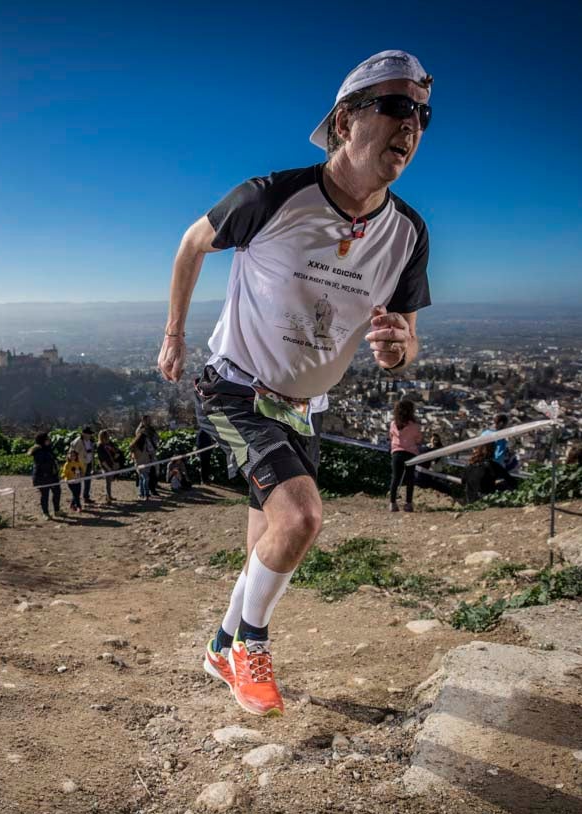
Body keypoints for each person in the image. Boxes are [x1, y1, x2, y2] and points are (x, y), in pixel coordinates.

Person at [157, 50, 433, 716]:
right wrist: (174, 335)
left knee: (266, 546)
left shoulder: (408, 234)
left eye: (423, 114)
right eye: (395, 107)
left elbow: (405, 341)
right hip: (234, 389)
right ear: (344, 121)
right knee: (301, 516)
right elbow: (193, 242)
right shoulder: (272, 195)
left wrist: (397, 352)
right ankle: (250, 645)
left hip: (303, 408)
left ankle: (221, 644)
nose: (411, 126)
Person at [389, 399, 423, 512]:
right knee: (409, 479)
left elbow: (391, 436)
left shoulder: (393, 424)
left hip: (396, 453)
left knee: (395, 478)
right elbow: (418, 439)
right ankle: (408, 504)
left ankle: (392, 503)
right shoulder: (415, 426)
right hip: (410, 454)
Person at [29, 432, 62, 518]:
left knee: (57, 492)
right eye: (47, 439)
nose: (49, 440)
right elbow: (40, 465)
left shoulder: (49, 449)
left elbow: (53, 459)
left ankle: (57, 510)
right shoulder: (38, 452)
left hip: (53, 476)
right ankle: (45, 513)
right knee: (45, 495)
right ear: (43, 440)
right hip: (43, 477)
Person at [68, 426, 97, 505]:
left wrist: (93, 465)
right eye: (88, 434)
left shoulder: (91, 441)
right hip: (79, 465)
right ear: (83, 434)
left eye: (90, 434)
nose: (90, 435)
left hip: (88, 463)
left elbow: (92, 452)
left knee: (88, 481)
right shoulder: (78, 442)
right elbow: (72, 454)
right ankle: (75, 501)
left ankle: (86, 497)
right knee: (77, 483)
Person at [129, 422, 156, 501]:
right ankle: (146, 494)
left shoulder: (135, 443)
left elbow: (131, 449)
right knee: (145, 478)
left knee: (142, 478)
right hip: (146, 461)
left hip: (138, 462)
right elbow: (151, 450)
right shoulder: (146, 441)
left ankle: (141, 493)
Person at [96, 430, 123, 504]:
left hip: (112, 463)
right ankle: (108, 497)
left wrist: (115, 453)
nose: (107, 438)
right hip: (105, 465)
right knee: (108, 481)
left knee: (110, 481)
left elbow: (115, 450)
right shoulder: (100, 446)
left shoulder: (109, 444)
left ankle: (109, 496)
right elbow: (102, 459)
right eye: (106, 437)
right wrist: (108, 468)